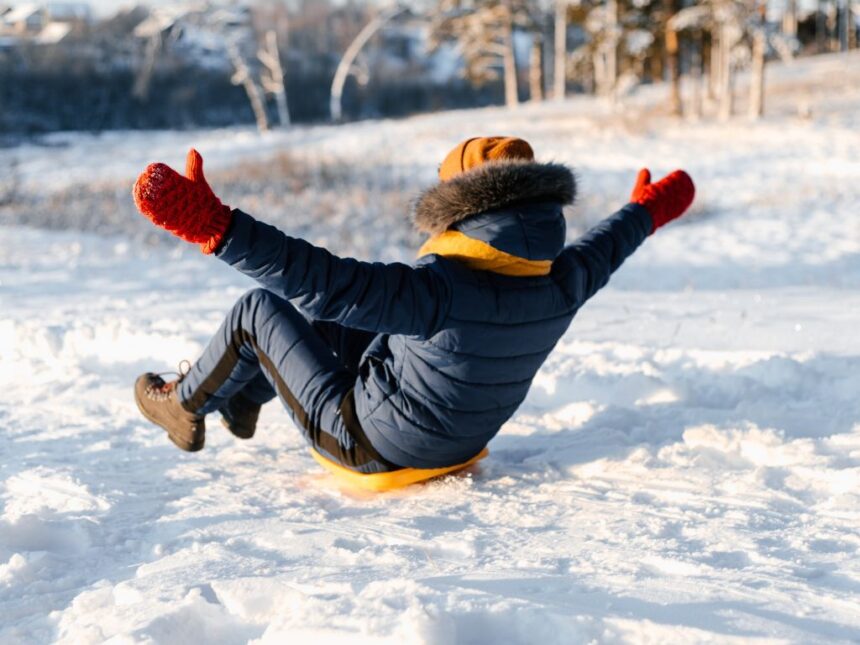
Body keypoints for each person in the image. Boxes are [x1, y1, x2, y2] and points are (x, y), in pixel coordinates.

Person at [132, 137, 694, 475]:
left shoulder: (442, 288)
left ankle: (183, 408)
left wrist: (217, 227)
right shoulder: (564, 281)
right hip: (460, 438)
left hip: (367, 443)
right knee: (327, 317)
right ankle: (244, 400)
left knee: (259, 309)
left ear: (461, 207)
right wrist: (647, 209)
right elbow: (611, 243)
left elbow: (321, 279)